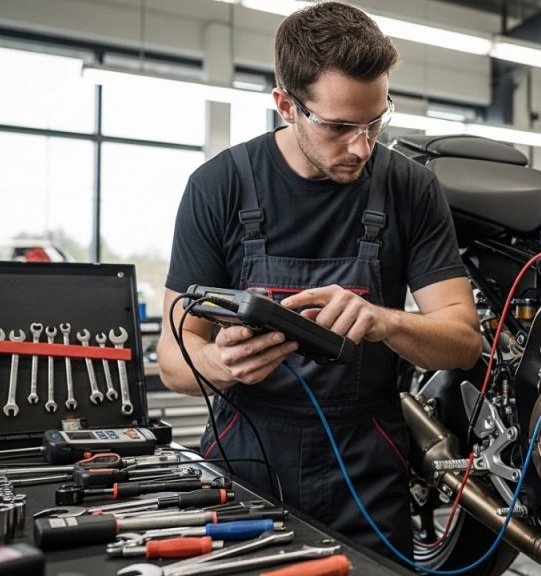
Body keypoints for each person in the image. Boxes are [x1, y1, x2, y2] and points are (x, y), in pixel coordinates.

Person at [156, 1, 481, 560]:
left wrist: (384, 321)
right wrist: (217, 364)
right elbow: (171, 358)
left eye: (376, 121)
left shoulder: (411, 189)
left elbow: (463, 340)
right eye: (339, 126)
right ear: (286, 105)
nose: (363, 146)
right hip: (246, 453)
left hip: (366, 465)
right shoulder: (219, 187)